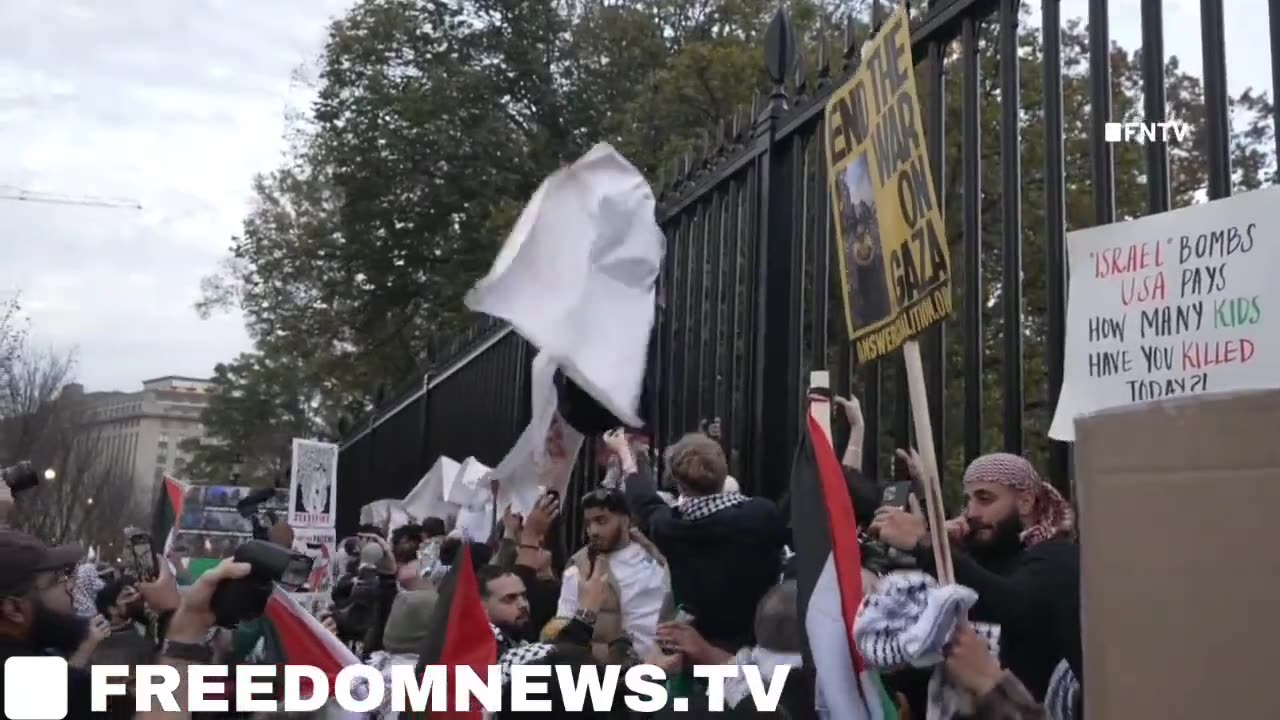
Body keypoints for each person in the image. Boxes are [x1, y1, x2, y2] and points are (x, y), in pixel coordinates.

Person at [870, 451, 1082, 702]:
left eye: (984, 499)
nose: (971, 512)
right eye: (968, 500)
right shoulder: (987, 553)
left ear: (1025, 502)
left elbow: (1007, 603)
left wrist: (928, 543)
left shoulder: (1057, 556)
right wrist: (947, 547)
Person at [615, 430, 786, 652]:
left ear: (678, 481)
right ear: (724, 471)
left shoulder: (670, 527)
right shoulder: (763, 514)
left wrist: (625, 452)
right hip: (761, 646)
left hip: (697, 649)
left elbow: (641, 498)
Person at [557, 487, 670, 661]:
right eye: (588, 524)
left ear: (625, 521)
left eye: (601, 521)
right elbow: (562, 624)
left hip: (663, 665)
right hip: (615, 673)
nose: (593, 531)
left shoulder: (654, 554)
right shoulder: (580, 567)